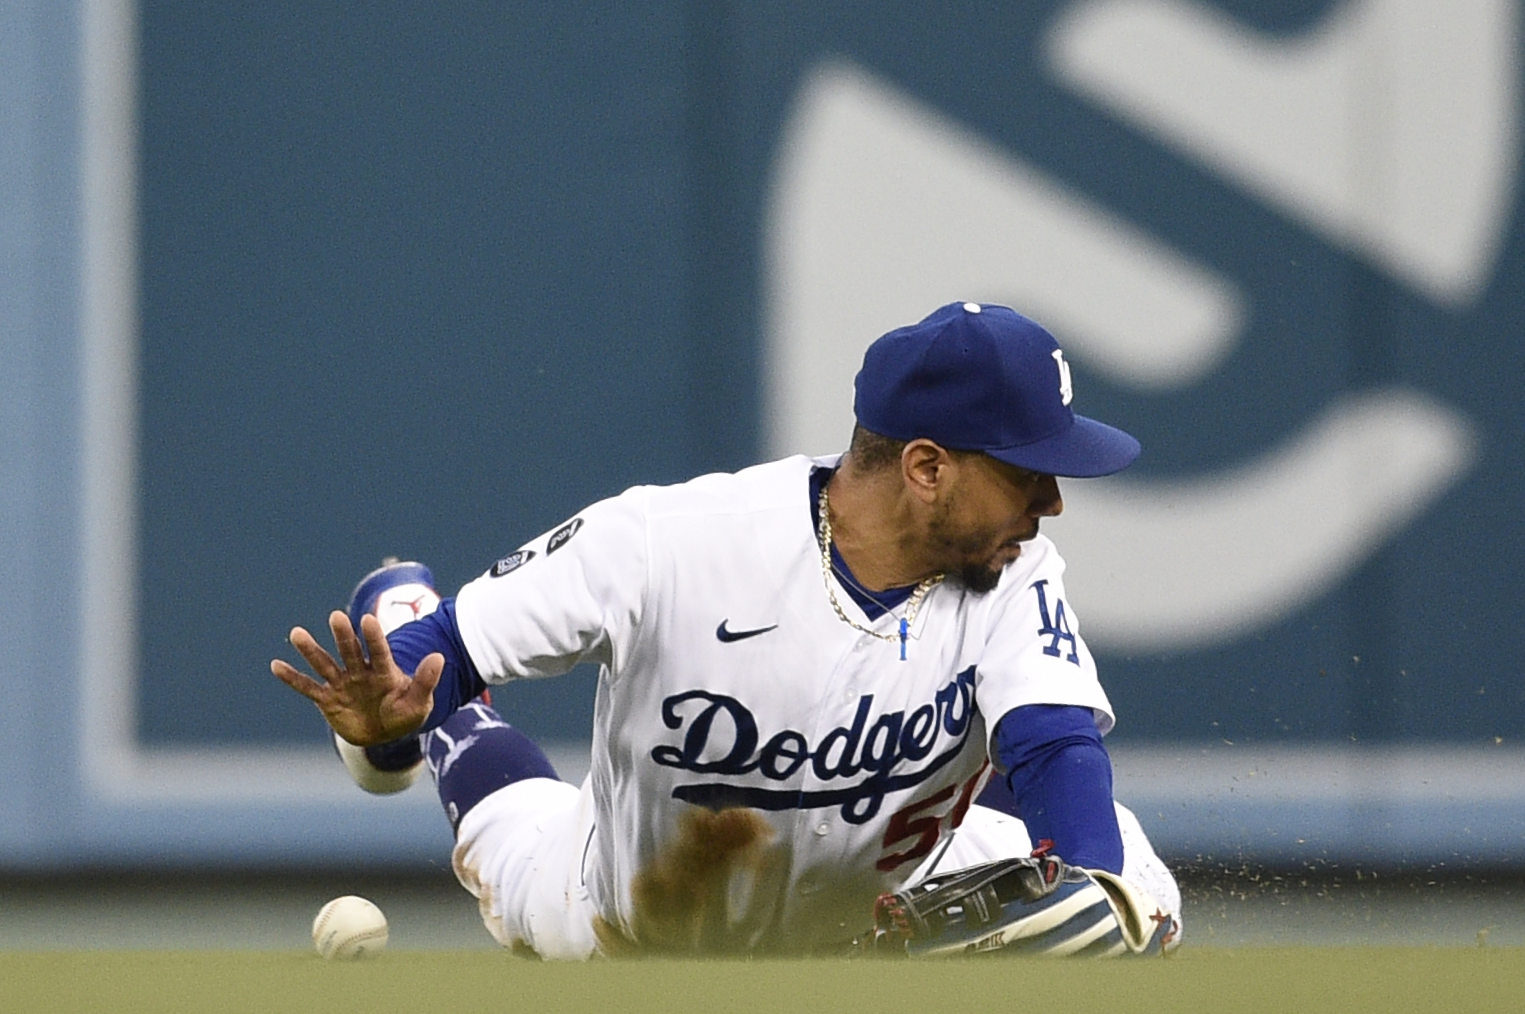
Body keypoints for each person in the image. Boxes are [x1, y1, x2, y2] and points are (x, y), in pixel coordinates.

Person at [272, 302, 1181, 958]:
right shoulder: (668, 542)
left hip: (877, 905)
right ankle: (417, 666)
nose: (1052, 501)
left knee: (1132, 899)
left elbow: (1056, 748)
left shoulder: (1014, 575)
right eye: (1028, 473)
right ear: (927, 466)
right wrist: (395, 697)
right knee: (506, 822)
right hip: (623, 917)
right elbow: (455, 647)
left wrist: (1083, 890)